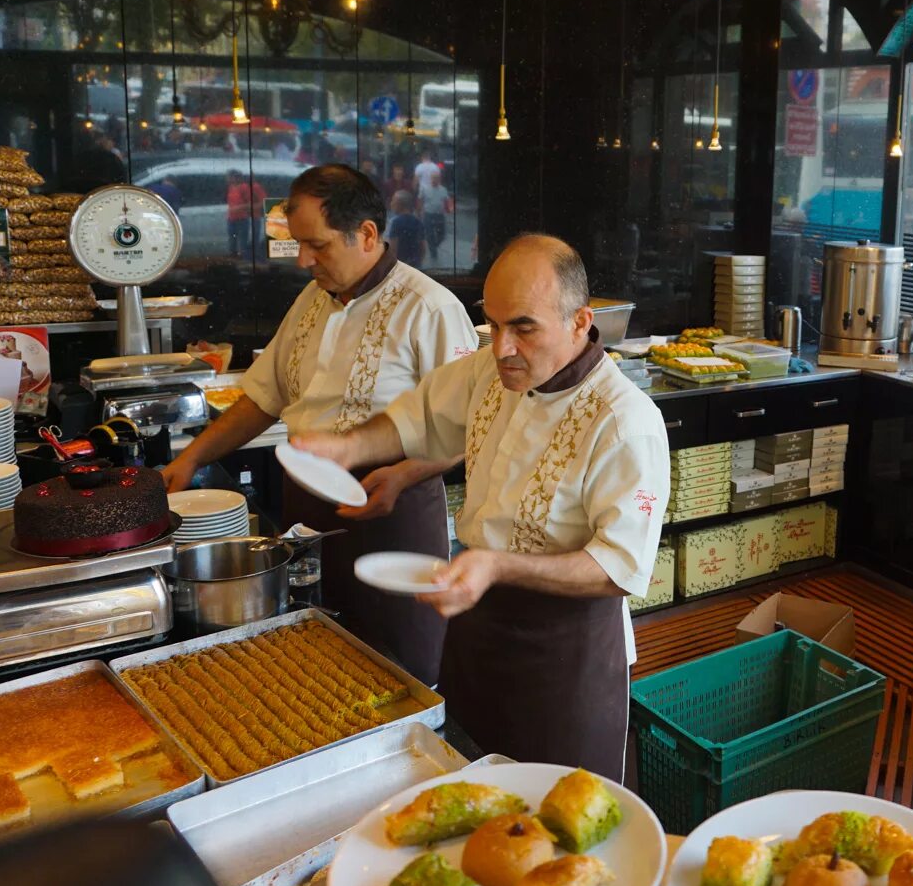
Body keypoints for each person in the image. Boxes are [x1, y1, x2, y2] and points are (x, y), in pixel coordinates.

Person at [291, 235, 668, 778]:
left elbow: (618, 567)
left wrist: (497, 564)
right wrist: (345, 447)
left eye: (523, 327)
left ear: (582, 321)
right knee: (466, 782)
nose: (501, 347)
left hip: (564, 653)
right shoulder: (491, 374)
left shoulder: (625, 421)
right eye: (492, 324)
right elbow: (416, 418)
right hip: (477, 630)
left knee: (558, 818)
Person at [163, 165, 477, 682]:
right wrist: (191, 459)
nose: (305, 260)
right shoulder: (312, 298)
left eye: (319, 246)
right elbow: (264, 398)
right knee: (317, 661)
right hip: (305, 508)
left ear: (367, 235)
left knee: (399, 671)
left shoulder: (429, 309)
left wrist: (400, 475)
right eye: (300, 244)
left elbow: (468, 428)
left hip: (389, 513)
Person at [225, 169, 265, 258]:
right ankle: (235, 255)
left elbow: (254, 202)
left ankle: (247, 257)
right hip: (232, 217)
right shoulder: (231, 188)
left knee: (246, 240)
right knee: (232, 239)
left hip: (245, 217)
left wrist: (240, 208)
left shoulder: (247, 188)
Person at [416, 172, 450, 266]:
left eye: (437, 178)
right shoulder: (425, 189)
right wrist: (419, 212)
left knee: (442, 235)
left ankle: (433, 246)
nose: (435, 180)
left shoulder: (443, 189)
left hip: (440, 215)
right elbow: (420, 200)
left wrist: (448, 209)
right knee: (430, 234)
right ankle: (433, 253)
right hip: (428, 214)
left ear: (439, 179)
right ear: (430, 179)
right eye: (433, 178)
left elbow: (446, 201)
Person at [386, 189, 425, 266]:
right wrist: (419, 261)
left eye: (393, 201)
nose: (391, 204)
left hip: (400, 265)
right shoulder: (418, 222)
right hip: (414, 263)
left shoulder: (395, 222)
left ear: (399, 205)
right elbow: (423, 247)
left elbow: (393, 248)